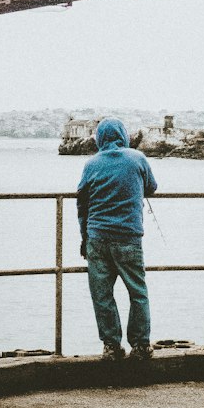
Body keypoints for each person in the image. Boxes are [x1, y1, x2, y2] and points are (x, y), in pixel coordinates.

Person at [76, 117, 158, 361]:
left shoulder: (91, 164)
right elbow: (152, 187)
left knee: (102, 295)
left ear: (100, 138)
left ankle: (111, 346)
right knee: (137, 292)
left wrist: (84, 238)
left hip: (97, 238)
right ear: (124, 135)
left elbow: (82, 203)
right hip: (129, 237)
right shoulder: (138, 158)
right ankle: (141, 345)